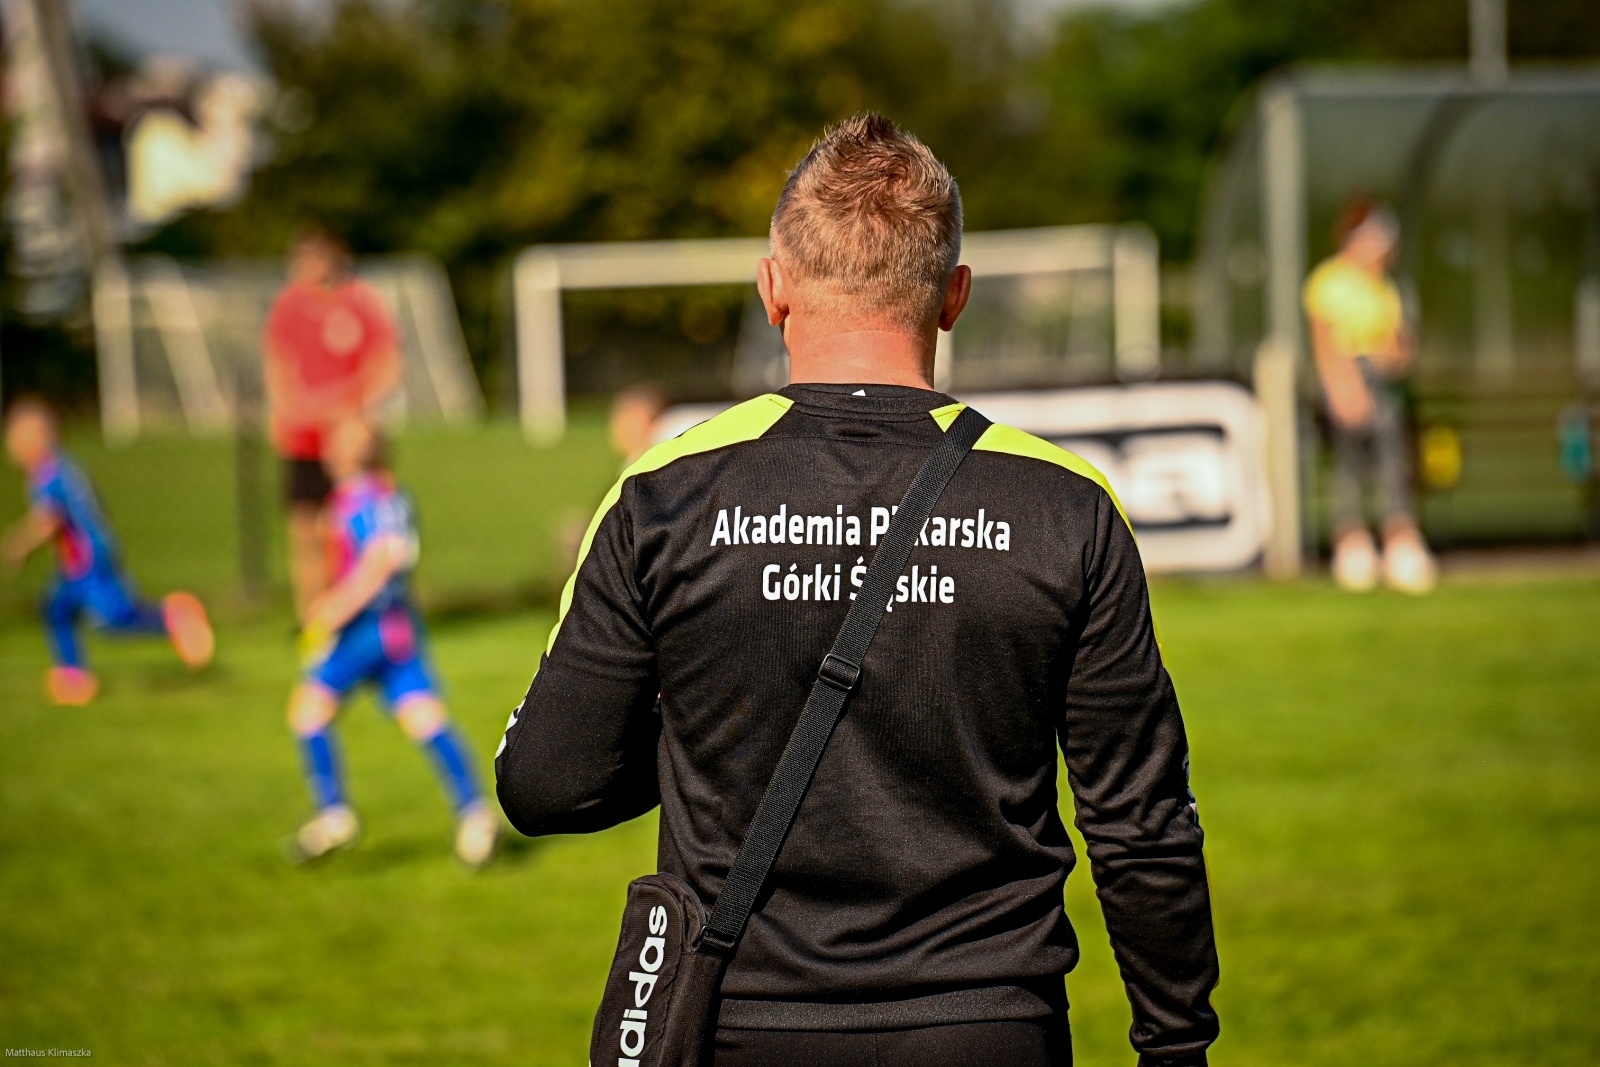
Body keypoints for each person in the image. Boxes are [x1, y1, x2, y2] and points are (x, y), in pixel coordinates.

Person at [496, 115, 1218, 1066]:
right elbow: (1140, 820)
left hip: (736, 1023)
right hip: (991, 1026)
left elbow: (548, 782)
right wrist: (1177, 1047)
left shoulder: (663, 493)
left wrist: (715, 728)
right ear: (953, 296)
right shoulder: (1064, 505)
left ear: (772, 288)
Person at [287, 417, 497, 868]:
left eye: (335, 441)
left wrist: (332, 610)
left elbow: (380, 560)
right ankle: (475, 813)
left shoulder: (356, 498)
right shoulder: (391, 493)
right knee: (425, 718)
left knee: (308, 710)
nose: (326, 448)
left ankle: (333, 812)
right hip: (398, 628)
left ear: (349, 452)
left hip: (363, 631)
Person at [2, 398, 214, 705]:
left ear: (39, 436)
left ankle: (173, 617)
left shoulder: (49, 475)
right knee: (56, 608)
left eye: (17, 435)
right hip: (78, 561)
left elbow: (50, 520)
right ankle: (74, 678)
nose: (11, 443)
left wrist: (18, 544)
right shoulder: (56, 468)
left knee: (115, 620)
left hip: (89, 560)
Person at [263, 227, 402, 620]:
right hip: (304, 440)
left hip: (351, 441)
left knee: (363, 528)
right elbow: (278, 364)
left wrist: (349, 409)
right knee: (306, 531)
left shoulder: (360, 303)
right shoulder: (289, 307)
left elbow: (386, 364)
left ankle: (370, 612)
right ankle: (313, 621)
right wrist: (286, 412)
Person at [1304, 200, 1437, 594]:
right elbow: (1326, 342)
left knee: (1392, 461)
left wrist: (1398, 354)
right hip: (1348, 375)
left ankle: (1400, 541)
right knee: (1350, 463)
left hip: (1382, 382)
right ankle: (1352, 545)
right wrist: (1344, 388)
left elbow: (1395, 341)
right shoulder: (1329, 280)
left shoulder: (1384, 286)